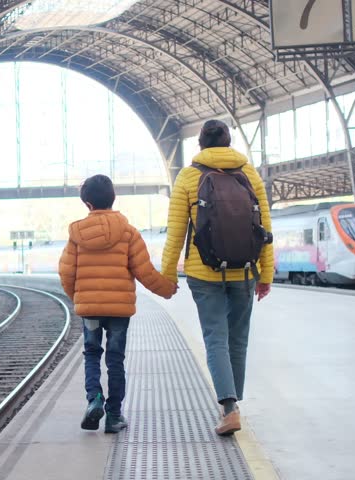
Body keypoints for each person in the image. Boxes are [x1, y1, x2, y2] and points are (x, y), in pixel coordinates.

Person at [160, 119, 274, 436]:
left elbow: (175, 235)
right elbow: (265, 230)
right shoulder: (248, 173)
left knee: (215, 339)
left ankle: (229, 408)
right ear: (228, 141)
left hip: (204, 272)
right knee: (238, 339)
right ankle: (233, 402)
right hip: (246, 271)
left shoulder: (187, 177)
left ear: (200, 144)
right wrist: (266, 275)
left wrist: (167, 276)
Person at [59, 174, 177, 433]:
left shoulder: (76, 234)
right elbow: (145, 271)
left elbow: (66, 273)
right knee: (115, 360)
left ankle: (94, 399)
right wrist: (167, 289)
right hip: (119, 311)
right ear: (113, 199)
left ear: (87, 204)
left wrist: (79, 298)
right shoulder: (128, 232)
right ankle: (113, 416)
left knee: (91, 354)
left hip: (90, 308)